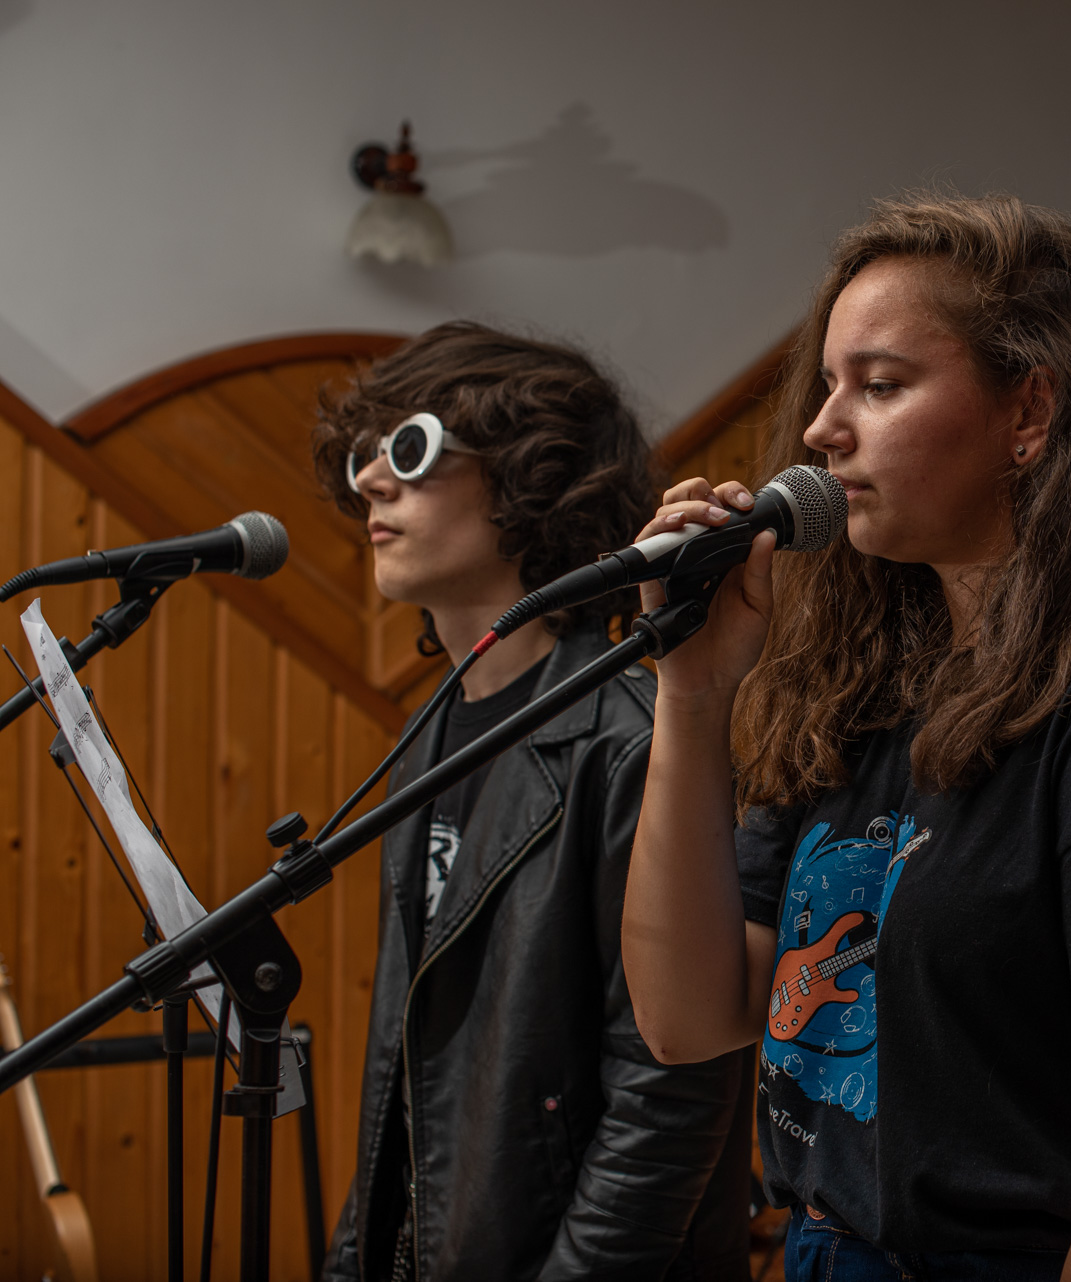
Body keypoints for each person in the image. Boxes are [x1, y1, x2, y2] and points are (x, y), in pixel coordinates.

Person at [620, 194, 1071, 1282]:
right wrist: (692, 692)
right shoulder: (862, 691)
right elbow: (686, 1016)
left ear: (1029, 411)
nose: (822, 429)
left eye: (880, 385)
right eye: (828, 384)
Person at [313, 323, 753, 1282]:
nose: (373, 481)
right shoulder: (426, 738)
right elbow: (406, 1083)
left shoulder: (628, 744)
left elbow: (669, 1101)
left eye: (412, 448)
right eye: (365, 456)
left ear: (531, 477)